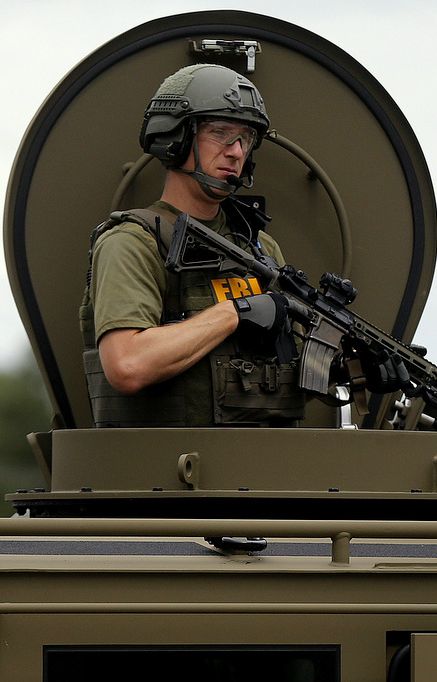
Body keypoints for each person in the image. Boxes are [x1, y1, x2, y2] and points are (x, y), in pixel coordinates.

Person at [79, 62, 306, 427]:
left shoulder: (260, 249)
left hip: (262, 469)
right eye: (220, 133)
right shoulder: (133, 242)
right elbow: (127, 365)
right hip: (165, 473)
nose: (236, 151)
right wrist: (235, 313)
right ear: (176, 137)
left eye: (245, 139)